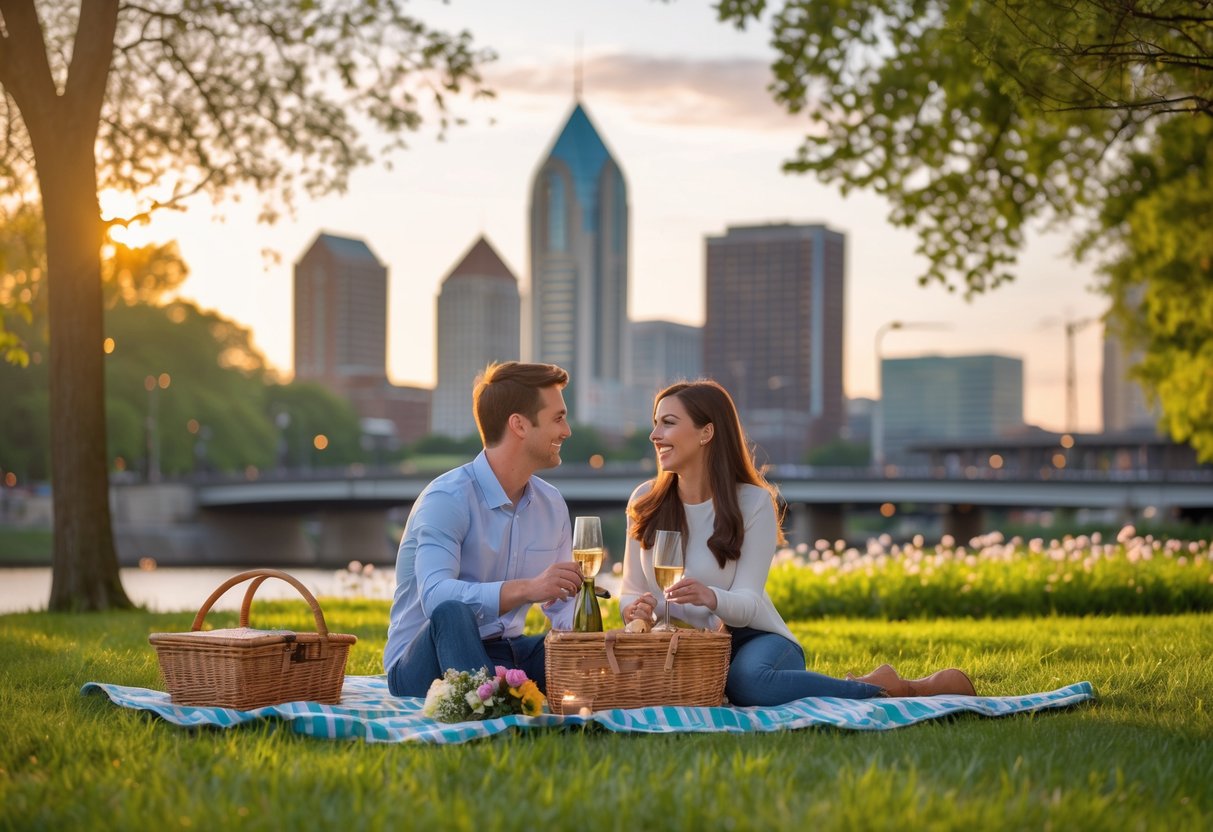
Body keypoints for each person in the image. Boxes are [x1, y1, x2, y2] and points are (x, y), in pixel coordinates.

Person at [619, 380, 976, 704]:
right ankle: (875, 684)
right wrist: (635, 609)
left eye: (667, 422)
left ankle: (891, 689)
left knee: (746, 683)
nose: (654, 434)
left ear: (706, 432)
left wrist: (710, 596)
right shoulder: (644, 500)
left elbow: (746, 603)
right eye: (655, 422)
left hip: (755, 638)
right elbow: (631, 590)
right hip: (679, 647)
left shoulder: (753, 502)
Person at [384, 362, 584, 697]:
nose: (567, 430)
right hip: (421, 666)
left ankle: (495, 693)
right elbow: (435, 597)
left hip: (510, 651)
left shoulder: (552, 504)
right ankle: (493, 703)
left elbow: (559, 600)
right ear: (519, 425)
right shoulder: (447, 498)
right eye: (558, 418)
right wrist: (525, 588)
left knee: (578, 663)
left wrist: (580, 633)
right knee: (451, 611)